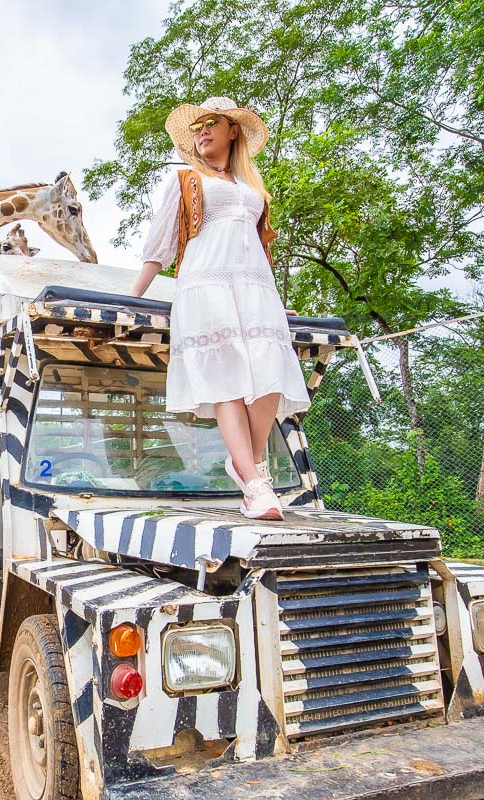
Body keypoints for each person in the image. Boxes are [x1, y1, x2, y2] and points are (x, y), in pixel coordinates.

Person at [130, 97, 309, 520]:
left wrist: (273, 301)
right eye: (197, 127)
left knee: (269, 377)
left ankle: (245, 462)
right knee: (227, 381)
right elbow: (159, 246)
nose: (203, 131)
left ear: (233, 131)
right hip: (205, 285)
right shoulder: (186, 180)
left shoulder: (251, 187)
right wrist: (134, 297)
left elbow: (257, 250)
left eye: (212, 123)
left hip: (255, 291)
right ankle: (254, 482)